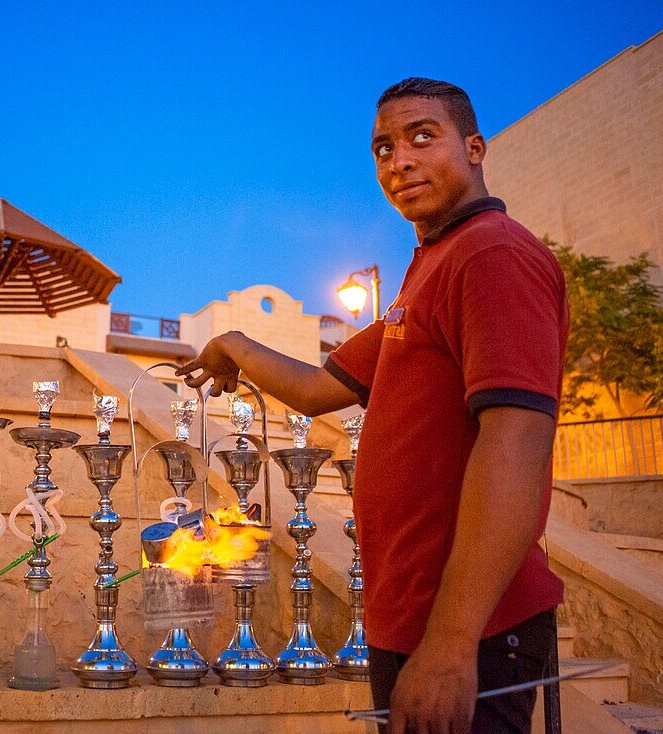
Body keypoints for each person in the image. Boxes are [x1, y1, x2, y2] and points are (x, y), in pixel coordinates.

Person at [176, 78, 567, 734]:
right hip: (410, 621)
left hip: (471, 630)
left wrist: (450, 642)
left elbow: (517, 440)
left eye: (422, 136)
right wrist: (232, 342)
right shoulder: (431, 267)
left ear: (475, 148)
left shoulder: (493, 252)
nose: (399, 159)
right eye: (383, 147)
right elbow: (317, 387)